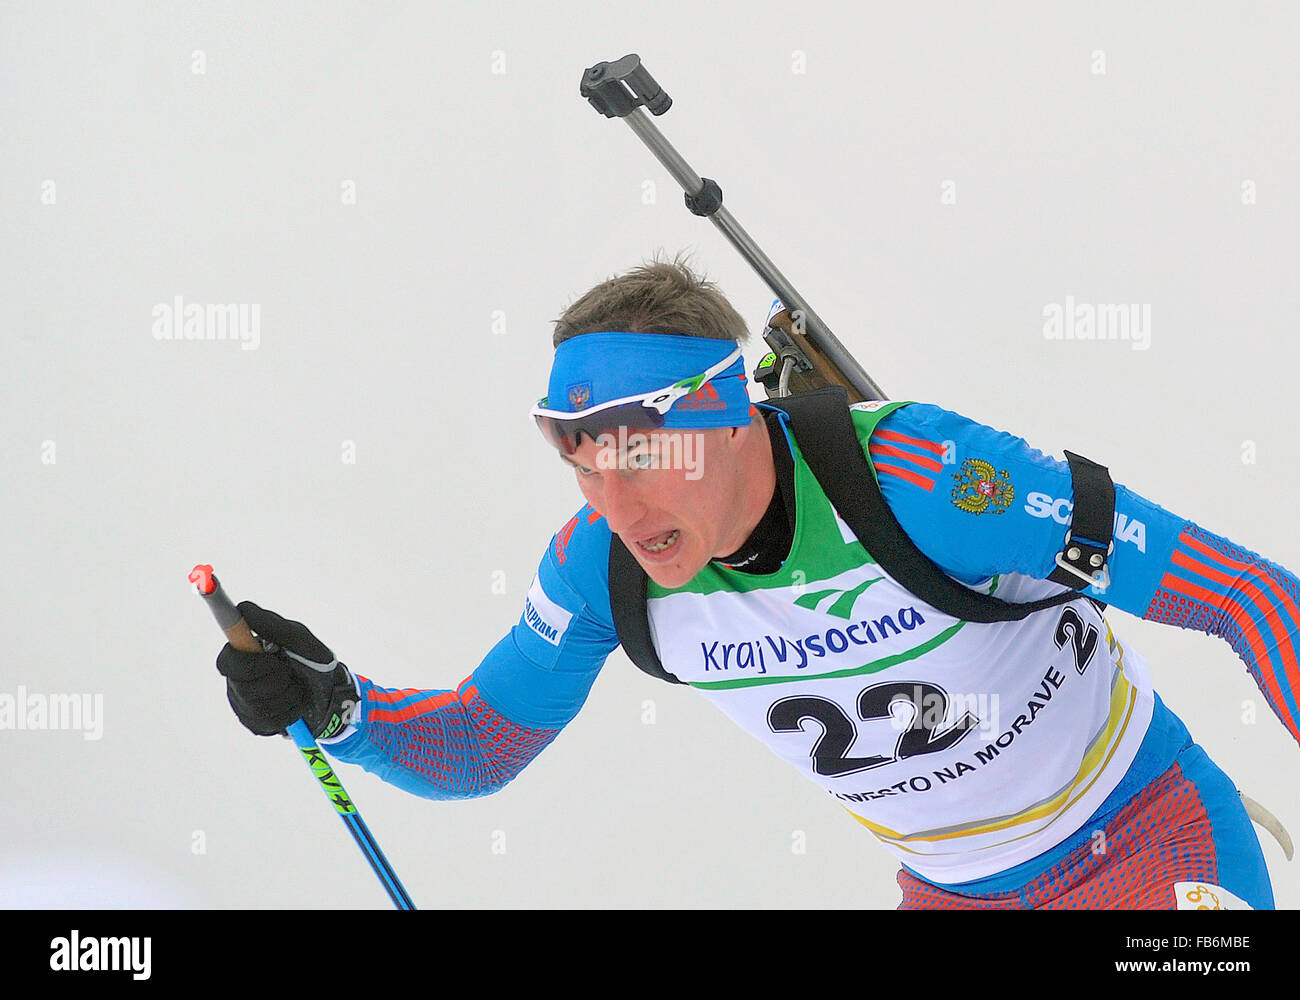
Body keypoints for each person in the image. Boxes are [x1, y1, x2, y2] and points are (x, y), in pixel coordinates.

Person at [216, 255, 1297, 909]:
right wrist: (336, 707)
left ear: (729, 414)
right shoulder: (601, 567)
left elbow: (1249, 595)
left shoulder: (925, 478)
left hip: (1149, 843)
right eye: (579, 459)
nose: (616, 504)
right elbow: (474, 744)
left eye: (641, 452)